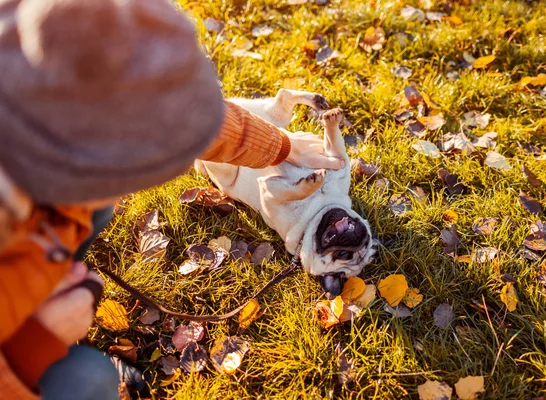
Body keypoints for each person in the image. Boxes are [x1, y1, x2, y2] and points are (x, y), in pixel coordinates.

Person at [0, 0, 344, 399]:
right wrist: (36, 342)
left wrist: (280, 147)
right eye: (129, 171)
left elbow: (166, 114)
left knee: (96, 209)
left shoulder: (45, 63)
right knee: (88, 381)